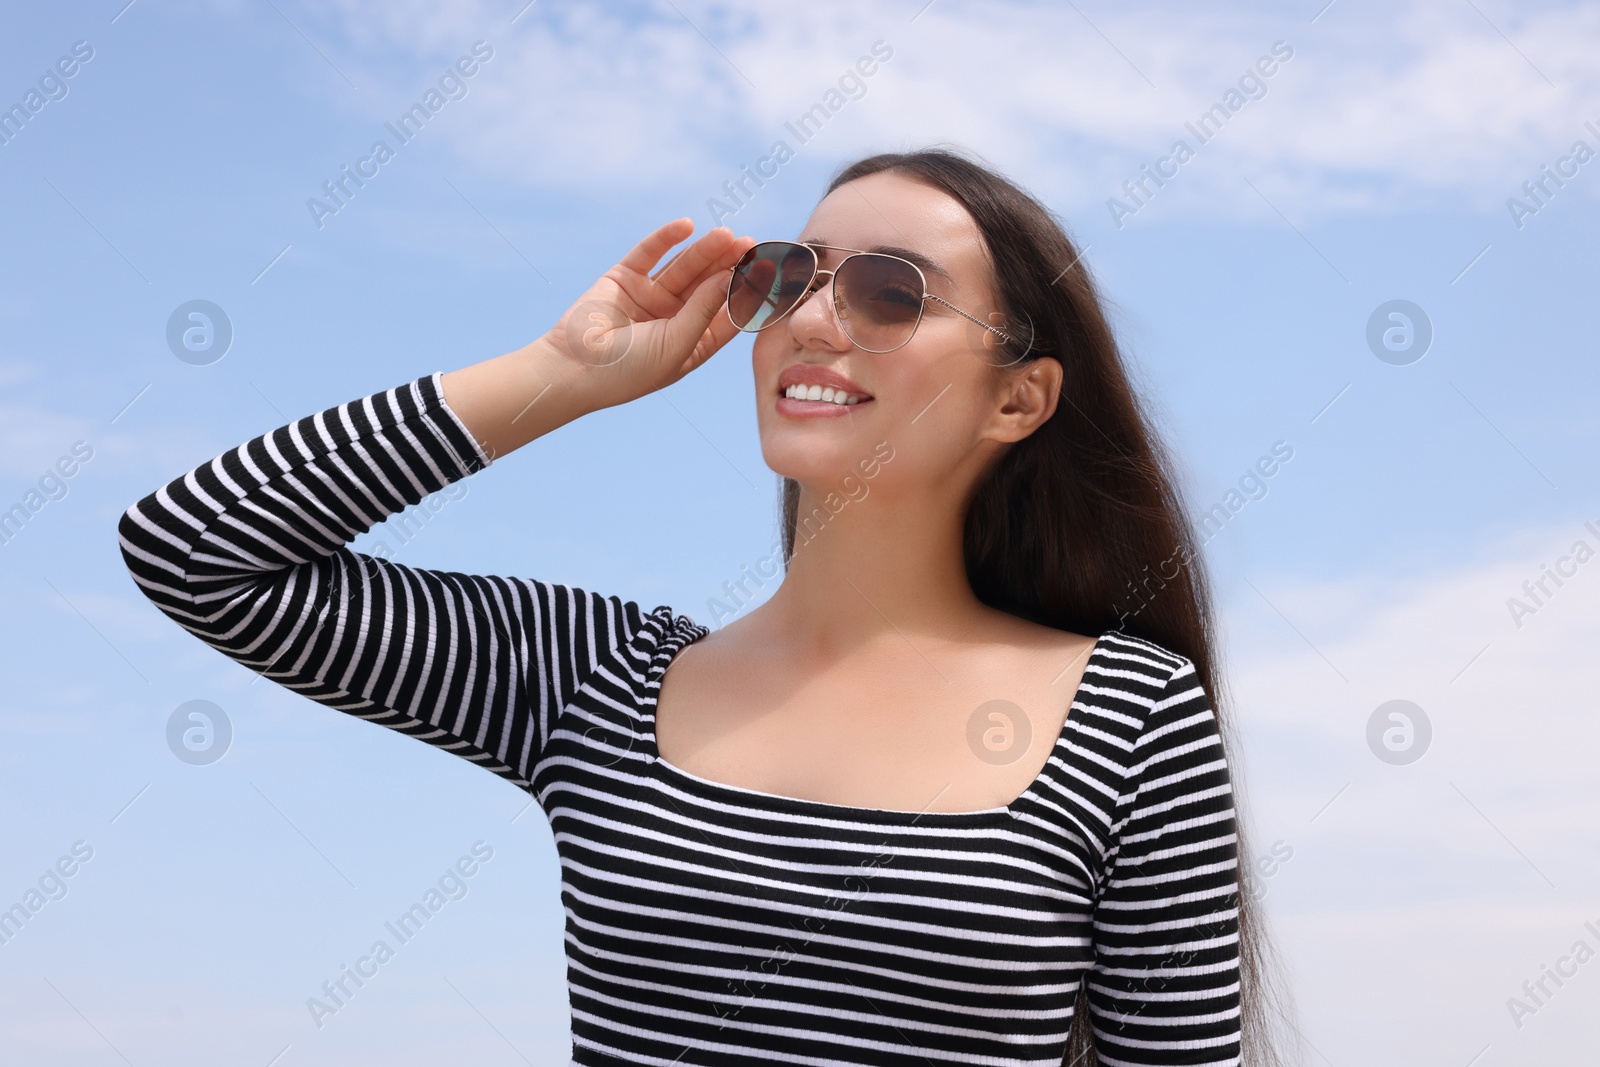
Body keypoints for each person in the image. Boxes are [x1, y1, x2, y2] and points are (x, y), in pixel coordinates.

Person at [120, 148, 1291, 1065]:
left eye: (892, 291)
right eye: (788, 273)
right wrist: (561, 377)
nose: (816, 318)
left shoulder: (1130, 713)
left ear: (1019, 399)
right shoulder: (595, 679)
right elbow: (197, 548)